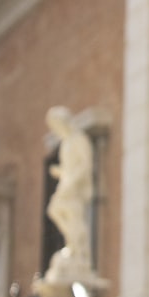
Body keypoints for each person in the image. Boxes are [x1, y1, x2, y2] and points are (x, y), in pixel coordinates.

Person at [45, 106, 94, 275]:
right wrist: (61, 173)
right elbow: (70, 168)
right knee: (54, 210)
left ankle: (79, 251)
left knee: (72, 215)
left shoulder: (79, 139)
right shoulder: (66, 142)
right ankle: (73, 245)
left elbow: (84, 165)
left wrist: (72, 181)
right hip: (67, 183)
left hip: (74, 187)